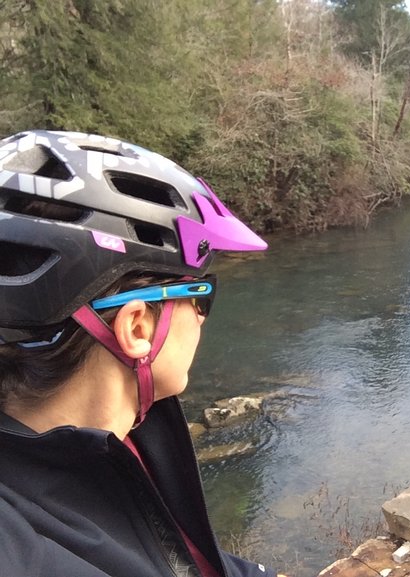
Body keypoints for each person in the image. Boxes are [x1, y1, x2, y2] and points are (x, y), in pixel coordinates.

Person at [0, 130, 286, 577]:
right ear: (136, 327)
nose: (203, 318)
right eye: (200, 295)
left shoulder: (132, 432)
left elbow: (189, 559)